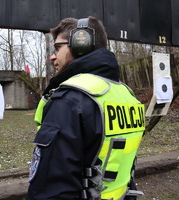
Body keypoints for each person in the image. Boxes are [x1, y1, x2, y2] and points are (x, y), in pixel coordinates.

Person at [27, 16, 145, 200]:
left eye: (58, 48)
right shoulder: (127, 95)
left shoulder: (70, 99)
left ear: (81, 44)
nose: (52, 56)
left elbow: (51, 190)